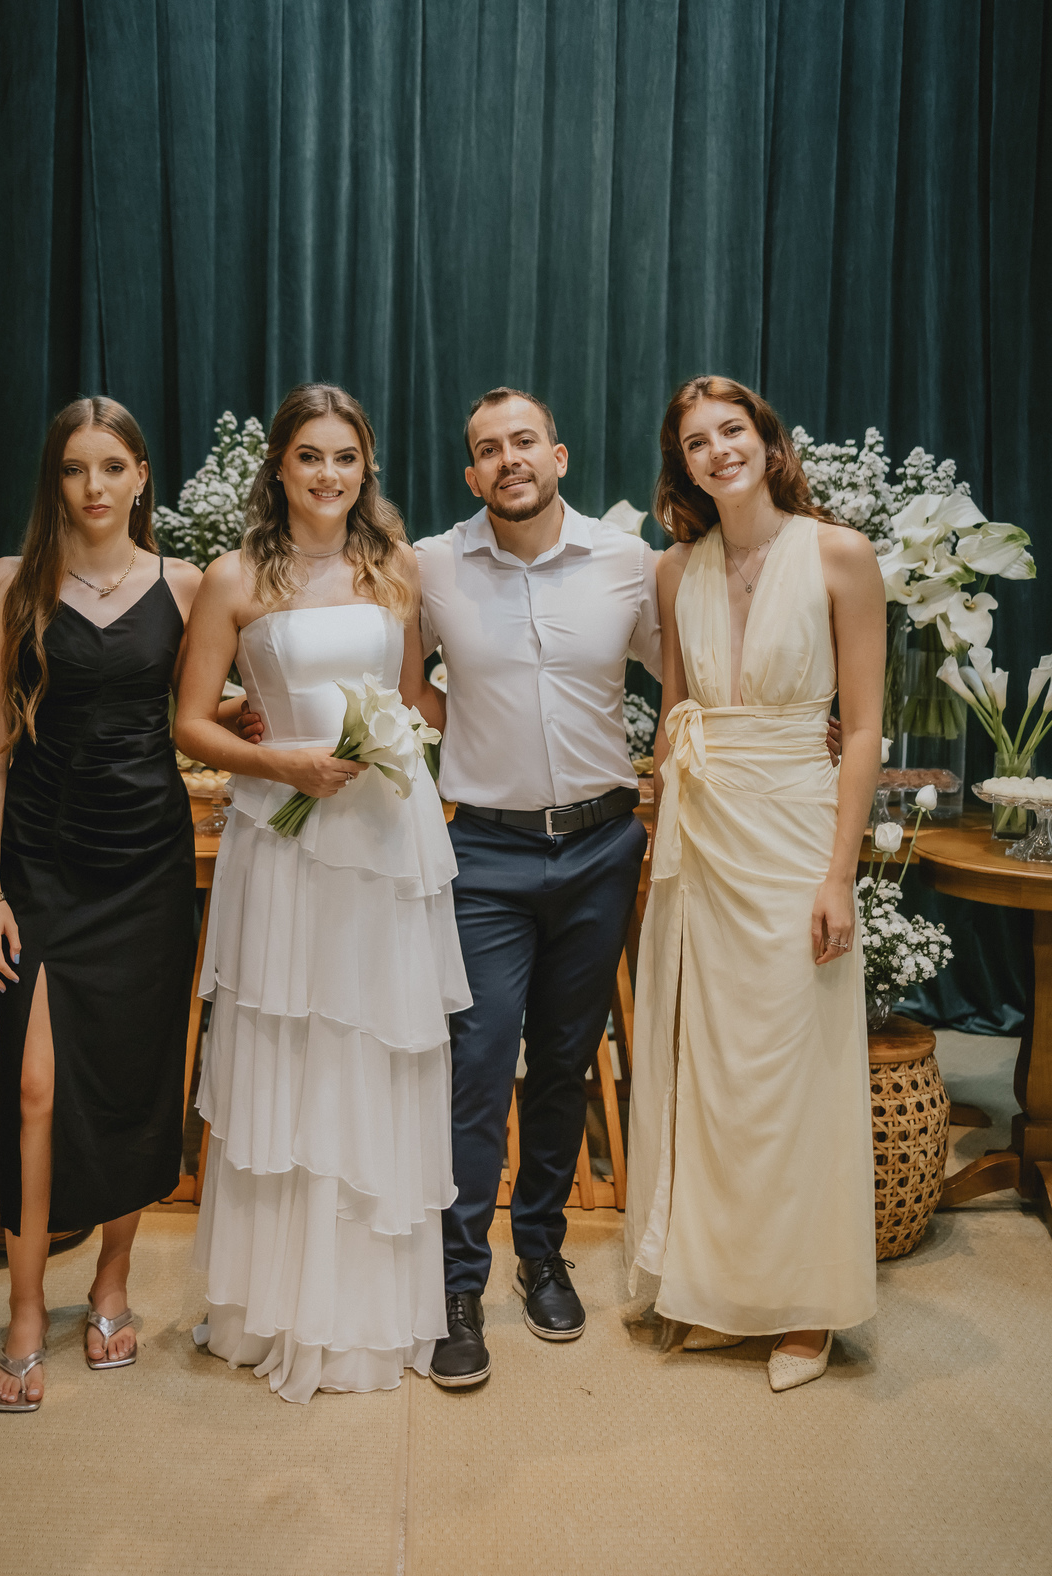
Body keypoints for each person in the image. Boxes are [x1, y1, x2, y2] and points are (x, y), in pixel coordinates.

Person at [175, 384, 469, 1405]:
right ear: (279, 466)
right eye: (310, 456)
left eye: (346, 457)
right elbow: (191, 724)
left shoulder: (398, 569)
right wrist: (283, 764)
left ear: (366, 466)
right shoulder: (234, 577)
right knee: (293, 1049)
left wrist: (489, 716)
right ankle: (278, 1307)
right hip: (286, 839)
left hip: (385, 838)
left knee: (375, 1047)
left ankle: (371, 1309)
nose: (329, 475)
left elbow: (418, 697)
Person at [624, 376, 883, 1393]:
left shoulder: (839, 555)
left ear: (770, 445)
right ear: (683, 465)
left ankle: (804, 1307)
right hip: (701, 841)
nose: (718, 451)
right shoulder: (673, 570)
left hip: (794, 835)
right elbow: (676, 712)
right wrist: (658, 837)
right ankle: (713, 1285)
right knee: (710, 1069)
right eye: (697, 441)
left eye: (733, 430)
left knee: (792, 1068)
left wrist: (839, 876)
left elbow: (861, 731)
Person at [0, 396, 218, 1412]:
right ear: (56, 480)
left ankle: (111, 1284)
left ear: (142, 476)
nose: (94, 486)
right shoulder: (7, 582)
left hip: (147, 861)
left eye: (112, 467)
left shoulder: (187, 584)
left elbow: (198, 715)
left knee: (132, 1081)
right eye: (75, 469)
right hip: (40, 862)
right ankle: (27, 1309)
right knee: (35, 1088)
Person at [413, 388, 662, 1388]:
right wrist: (470, 732)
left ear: (557, 456)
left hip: (602, 848)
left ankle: (544, 1254)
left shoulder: (626, 562)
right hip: (486, 855)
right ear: (472, 473)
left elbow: (688, 673)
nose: (507, 458)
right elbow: (402, 682)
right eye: (488, 448)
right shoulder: (433, 565)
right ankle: (457, 1284)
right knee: (477, 1069)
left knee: (563, 1061)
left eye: (524, 441)